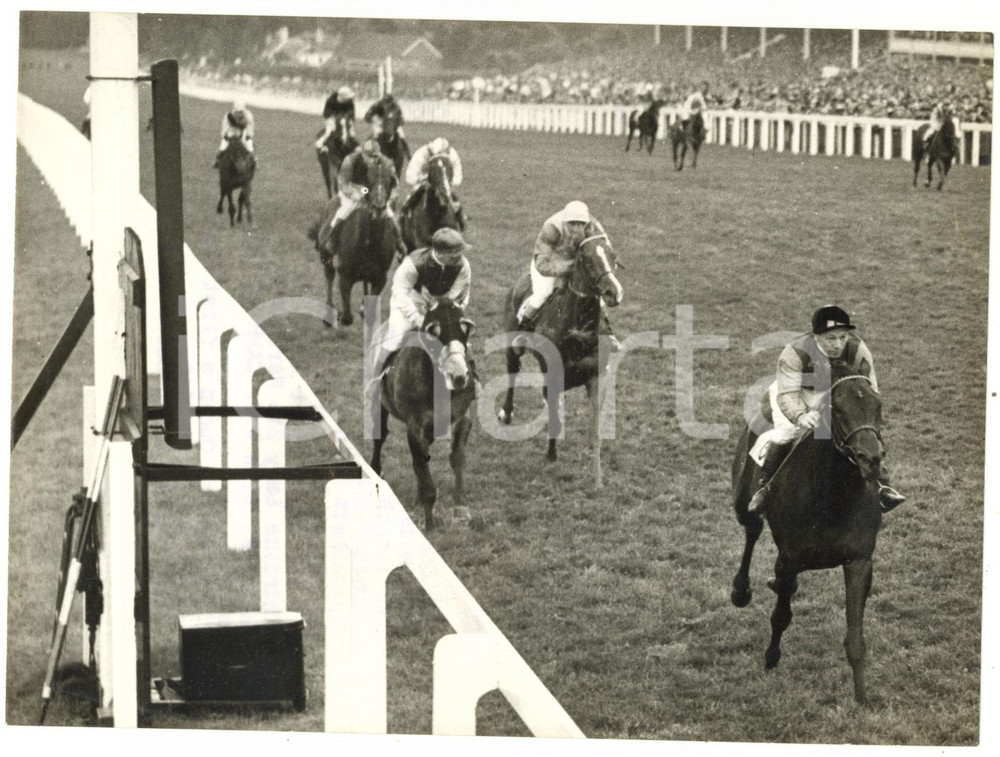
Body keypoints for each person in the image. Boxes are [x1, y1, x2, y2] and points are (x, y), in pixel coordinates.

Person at [746, 305, 906, 515]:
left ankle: (883, 486)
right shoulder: (795, 352)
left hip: (835, 389)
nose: (838, 345)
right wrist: (801, 415)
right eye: (831, 338)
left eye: (843, 337)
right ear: (816, 336)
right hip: (797, 391)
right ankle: (765, 488)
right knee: (788, 432)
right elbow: (787, 394)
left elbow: (870, 388)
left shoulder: (858, 349)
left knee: (861, 432)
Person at [371, 227, 473, 381]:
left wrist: (445, 312)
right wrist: (418, 318)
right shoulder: (412, 263)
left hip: (444, 303)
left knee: (460, 339)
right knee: (396, 337)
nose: (459, 258)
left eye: (460, 253)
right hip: (411, 300)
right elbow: (399, 292)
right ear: (439, 253)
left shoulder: (463, 265)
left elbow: (460, 294)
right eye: (453, 255)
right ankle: (375, 381)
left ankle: (474, 381)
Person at [514, 200, 619, 348]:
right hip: (551, 262)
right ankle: (522, 332)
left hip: (579, 263)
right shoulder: (551, 228)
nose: (576, 229)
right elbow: (541, 264)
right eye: (572, 224)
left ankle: (608, 334)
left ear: (586, 223)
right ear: (564, 222)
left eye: (580, 224)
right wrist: (568, 270)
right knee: (543, 293)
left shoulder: (594, 227)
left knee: (596, 294)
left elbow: (605, 250)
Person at [325, 139, 406, 257]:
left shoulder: (386, 163)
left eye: (375, 157)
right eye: (369, 157)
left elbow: (395, 185)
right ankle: (332, 241)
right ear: (362, 154)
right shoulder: (350, 160)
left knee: (390, 215)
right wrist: (354, 194)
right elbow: (342, 183)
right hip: (354, 188)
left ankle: (400, 243)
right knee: (344, 212)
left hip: (374, 192)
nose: (373, 160)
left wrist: (389, 198)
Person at [401, 137, 468, 229]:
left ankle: (460, 219)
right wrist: (422, 178)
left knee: (452, 196)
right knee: (416, 193)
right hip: (424, 179)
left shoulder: (452, 154)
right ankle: (406, 214)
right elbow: (410, 176)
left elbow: (457, 174)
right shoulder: (421, 154)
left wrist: (450, 182)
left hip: (443, 180)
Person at [315, 85, 356, 151]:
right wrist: (332, 120)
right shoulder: (331, 101)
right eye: (347, 98)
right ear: (342, 97)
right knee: (331, 129)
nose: (349, 99)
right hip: (332, 116)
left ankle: (353, 146)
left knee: (351, 131)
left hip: (343, 115)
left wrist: (351, 122)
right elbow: (327, 113)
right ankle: (321, 142)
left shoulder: (349, 102)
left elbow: (351, 113)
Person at [215, 100, 255, 166]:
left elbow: (250, 126)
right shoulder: (228, 115)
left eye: (241, 111)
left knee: (249, 146)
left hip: (244, 133)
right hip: (232, 133)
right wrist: (225, 135)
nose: (239, 113)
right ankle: (218, 159)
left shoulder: (248, 115)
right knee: (222, 147)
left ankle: (253, 161)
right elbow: (225, 126)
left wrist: (249, 135)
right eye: (238, 111)